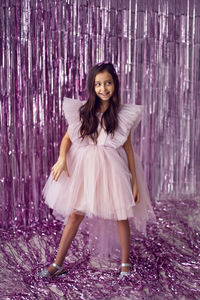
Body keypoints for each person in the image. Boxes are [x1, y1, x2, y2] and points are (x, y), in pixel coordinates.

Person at [39, 62, 157, 279]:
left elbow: (128, 148)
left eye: (108, 83)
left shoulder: (122, 115)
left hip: (113, 171)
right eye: (99, 84)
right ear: (93, 87)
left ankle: (125, 263)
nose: (104, 88)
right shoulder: (83, 111)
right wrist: (62, 158)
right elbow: (67, 139)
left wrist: (133, 182)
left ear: (115, 84)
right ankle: (57, 263)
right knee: (75, 214)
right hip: (85, 170)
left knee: (121, 214)